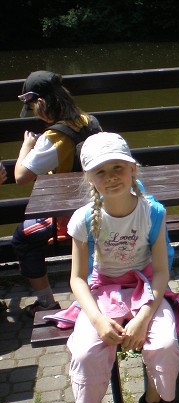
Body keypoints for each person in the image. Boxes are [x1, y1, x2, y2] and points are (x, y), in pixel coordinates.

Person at [65, 132, 179, 403]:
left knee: (164, 343)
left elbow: (161, 271)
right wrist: (99, 320)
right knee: (85, 352)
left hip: (145, 288)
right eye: (100, 172)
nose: (111, 177)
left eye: (118, 167)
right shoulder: (83, 219)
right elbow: (77, 279)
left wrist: (144, 316)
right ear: (89, 178)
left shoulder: (152, 212)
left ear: (133, 169)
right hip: (102, 293)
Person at [13, 70, 102, 316]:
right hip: (99, 205)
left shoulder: (53, 138)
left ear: (41, 103)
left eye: (33, 107)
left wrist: (26, 147)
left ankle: (46, 303)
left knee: (22, 238)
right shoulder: (90, 121)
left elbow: (20, 177)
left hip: (69, 216)